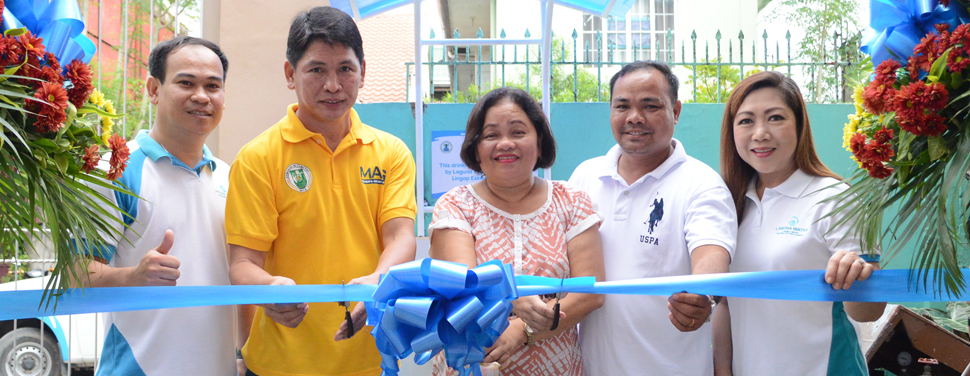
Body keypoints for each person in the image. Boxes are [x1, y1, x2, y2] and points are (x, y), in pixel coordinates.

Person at [225, 6, 417, 376]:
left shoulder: (391, 152)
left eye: (345, 69)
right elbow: (243, 264)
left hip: (367, 361)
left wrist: (380, 278)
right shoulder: (257, 157)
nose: (333, 85)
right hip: (277, 365)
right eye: (317, 70)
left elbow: (400, 238)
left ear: (363, 72)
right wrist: (270, 288)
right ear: (289, 73)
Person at [568, 60, 738, 376]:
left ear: (676, 111)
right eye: (622, 106)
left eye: (650, 105)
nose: (634, 117)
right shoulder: (585, 176)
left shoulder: (702, 183)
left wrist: (702, 293)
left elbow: (711, 252)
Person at [77, 36, 234, 375]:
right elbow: (74, 273)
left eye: (213, 86)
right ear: (153, 89)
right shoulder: (113, 170)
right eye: (186, 82)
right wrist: (132, 276)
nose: (202, 97)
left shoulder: (228, 177)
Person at [713, 71, 886, 376]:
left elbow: (868, 312)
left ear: (799, 125)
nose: (761, 133)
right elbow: (726, 304)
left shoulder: (833, 197)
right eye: (746, 120)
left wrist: (856, 274)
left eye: (775, 118)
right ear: (732, 131)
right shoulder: (730, 204)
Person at [428, 87, 605, 376]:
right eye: (491, 135)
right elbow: (464, 285)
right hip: (473, 361)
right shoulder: (456, 205)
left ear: (539, 143)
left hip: (555, 364)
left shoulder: (572, 201)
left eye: (519, 132)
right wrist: (510, 297)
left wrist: (523, 331)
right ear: (476, 148)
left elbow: (590, 293)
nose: (505, 143)